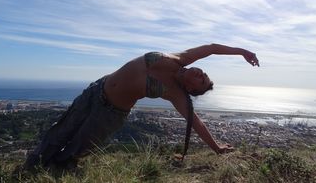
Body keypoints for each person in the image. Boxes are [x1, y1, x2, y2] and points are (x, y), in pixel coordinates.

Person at [24, 43, 259, 169]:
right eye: (204, 73)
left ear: (191, 90)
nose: (200, 73)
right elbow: (211, 48)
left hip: (111, 113)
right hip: (96, 90)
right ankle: (33, 165)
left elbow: (194, 121)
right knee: (62, 128)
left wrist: (216, 147)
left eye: (201, 80)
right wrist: (242, 51)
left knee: (78, 146)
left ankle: (56, 170)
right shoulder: (181, 58)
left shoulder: (175, 94)